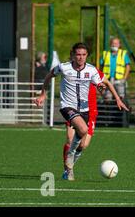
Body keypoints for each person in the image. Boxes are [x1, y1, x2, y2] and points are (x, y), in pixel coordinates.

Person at [34, 42, 128, 181]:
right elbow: (49, 76)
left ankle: (69, 168)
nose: (81, 57)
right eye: (78, 54)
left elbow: (103, 84)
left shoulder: (91, 70)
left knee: (83, 144)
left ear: (87, 56)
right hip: (68, 106)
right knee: (79, 132)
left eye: (83, 55)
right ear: (73, 55)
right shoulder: (64, 67)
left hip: (86, 110)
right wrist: (43, 94)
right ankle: (69, 158)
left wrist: (115, 98)